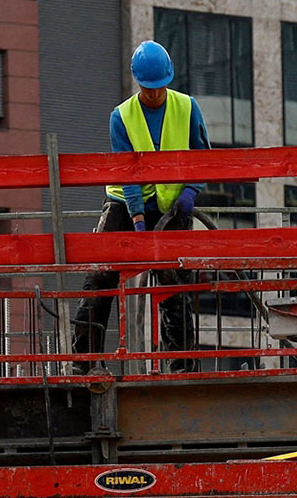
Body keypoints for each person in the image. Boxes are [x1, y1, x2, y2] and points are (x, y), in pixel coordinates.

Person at [71, 40, 210, 374]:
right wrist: (136, 219)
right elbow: (126, 172)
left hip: (173, 204)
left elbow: (204, 157)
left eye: (160, 88)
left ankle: (181, 364)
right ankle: (84, 361)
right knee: (100, 277)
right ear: (138, 83)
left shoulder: (187, 107)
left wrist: (190, 192)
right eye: (149, 89)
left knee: (174, 282)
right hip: (124, 201)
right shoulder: (122, 116)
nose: (155, 95)